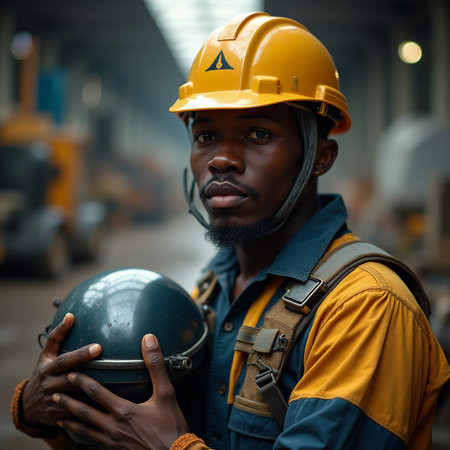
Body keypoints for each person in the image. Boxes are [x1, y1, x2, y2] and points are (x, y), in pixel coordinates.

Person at [11, 11, 450, 450]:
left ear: (321, 157)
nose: (221, 159)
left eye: (257, 133)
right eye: (204, 136)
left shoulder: (366, 307)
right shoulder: (214, 290)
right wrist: (47, 413)